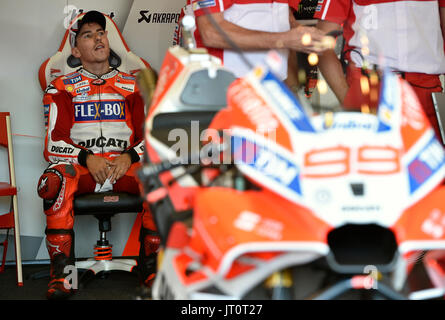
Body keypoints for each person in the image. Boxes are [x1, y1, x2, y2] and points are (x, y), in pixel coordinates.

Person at [37, 10, 160, 300]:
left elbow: (153, 139)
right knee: (55, 179)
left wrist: (129, 157)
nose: (98, 38)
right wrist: (87, 159)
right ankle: (63, 276)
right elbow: (53, 143)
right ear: (76, 50)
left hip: (124, 168)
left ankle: (152, 268)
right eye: (88, 34)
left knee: (161, 177)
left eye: (101, 33)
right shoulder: (61, 87)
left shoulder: (135, 85)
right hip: (84, 172)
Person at [314, 0, 445, 137]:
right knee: (372, 157)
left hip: (426, 91)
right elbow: (320, 44)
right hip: (368, 88)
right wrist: (348, 100)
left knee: (430, 157)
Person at [174, 0, 328, 81]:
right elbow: (211, 33)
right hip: (221, 87)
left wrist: (304, 34)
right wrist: (284, 40)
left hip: (270, 87)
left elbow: (286, 21)